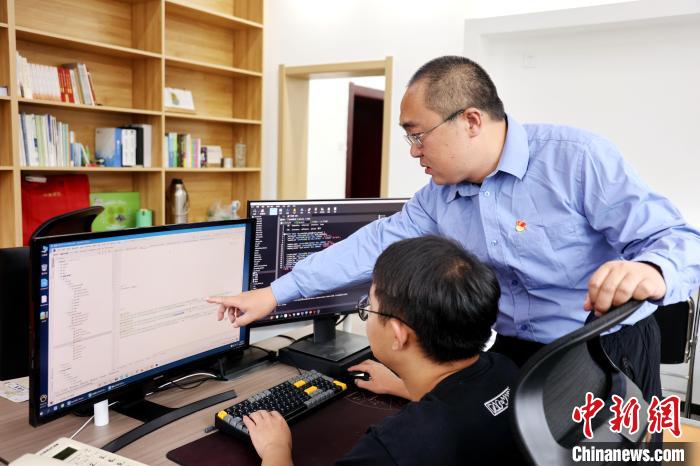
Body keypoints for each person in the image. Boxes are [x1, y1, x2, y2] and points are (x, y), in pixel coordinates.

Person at [208, 56, 700, 405]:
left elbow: (679, 240)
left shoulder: (576, 160)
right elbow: (373, 244)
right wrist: (275, 294)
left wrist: (652, 269)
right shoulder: (438, 198)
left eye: (418, 135)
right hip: (514, 350)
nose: (413, 151)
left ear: (471, 121)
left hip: (602, 346)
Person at [242, 236, 523, 466]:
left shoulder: (396, 446)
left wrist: (275, 448)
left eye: (370, 307)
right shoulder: (506, 370)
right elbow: (463, 408)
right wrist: (401, 387)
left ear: (398, 335)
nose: (368, 313)